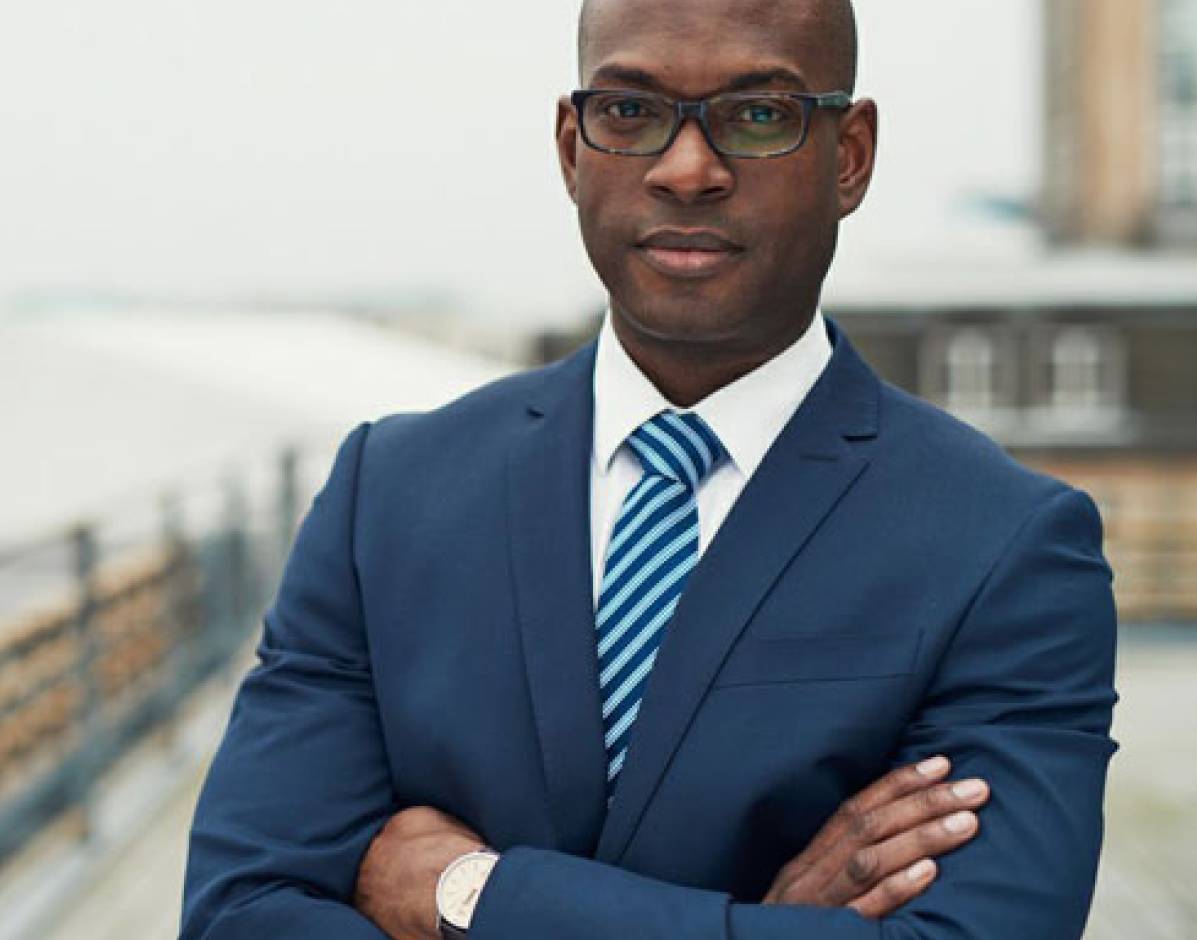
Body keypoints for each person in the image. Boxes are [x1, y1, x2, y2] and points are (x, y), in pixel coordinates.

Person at [181, 0, 1119, 936]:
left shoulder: (1006, 546)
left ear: (850, 156)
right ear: (570, 146)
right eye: (631, 113)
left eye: (758, 115)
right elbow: (240, 914)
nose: (687, 169)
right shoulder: (386, 495)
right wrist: (757, 923)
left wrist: (468, 893)